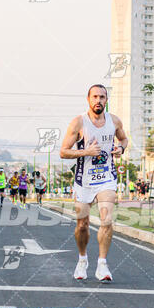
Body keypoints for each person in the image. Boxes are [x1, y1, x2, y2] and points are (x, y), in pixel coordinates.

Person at [60, 84, 128, 282]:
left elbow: (124, 139)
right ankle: (82, 260)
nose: (98, 101)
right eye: (95, 97)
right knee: (82, 225)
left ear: (107, 100)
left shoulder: (114, 121)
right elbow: (64, 151)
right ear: (88, 99)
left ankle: (102, 264)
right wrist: (86, 152)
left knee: (106, 219)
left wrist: (121, 150)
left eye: (102, 97)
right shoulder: (78, 122)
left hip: (107, 178)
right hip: (84, 180)